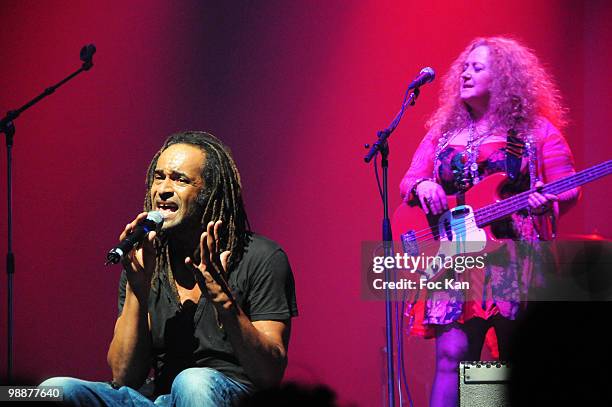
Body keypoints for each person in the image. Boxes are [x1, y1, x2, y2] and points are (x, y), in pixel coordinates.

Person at [41, 131, 298, 406]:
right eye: (158, 176)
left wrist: (225, 302)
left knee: (192, 382)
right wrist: (137, 289)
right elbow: (125, 376)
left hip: (230, 395)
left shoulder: (262, 257)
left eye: (179, 179)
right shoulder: (146, 258)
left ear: (210, 192)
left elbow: (269, 374)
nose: (163, 189)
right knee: (52, 390)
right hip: (159, 400)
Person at [399, 37, 579, 407]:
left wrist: (547, 201)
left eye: (477, 68)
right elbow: (407, 182)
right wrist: (424, 184)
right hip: (457, 258)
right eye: (465, 67)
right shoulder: (443, 134)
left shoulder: (537, 130)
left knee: (500, 362)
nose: (466, 73)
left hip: (510, 257)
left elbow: (569, 188)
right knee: (452, 359)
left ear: (505, 79)